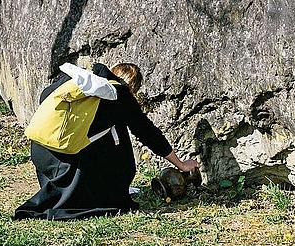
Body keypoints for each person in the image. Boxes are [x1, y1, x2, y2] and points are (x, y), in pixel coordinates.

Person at [14, 62, 199, 221]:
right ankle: (108, 191)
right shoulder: (120, 95)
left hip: (40, 153)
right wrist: (181, 164)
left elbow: (44, 97)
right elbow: (149, 134)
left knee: (110, 130)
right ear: (133, 88)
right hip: (64, 161)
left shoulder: (79, 81)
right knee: (118, 131)